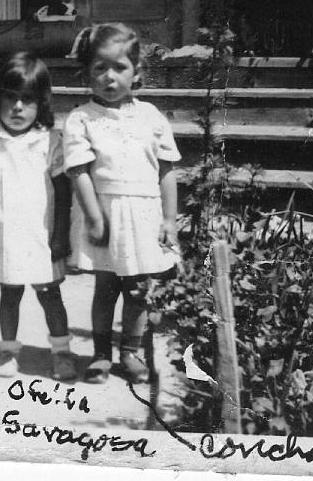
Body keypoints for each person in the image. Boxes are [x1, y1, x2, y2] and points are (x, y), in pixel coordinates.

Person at [64, 23, 181, 384]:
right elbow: (79, 172)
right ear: (87, 73)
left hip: (143, 215)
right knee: (105, 287)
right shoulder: (82, 118)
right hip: (104, 214)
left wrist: (169, 219)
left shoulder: (150, 117)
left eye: (119, 68)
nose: (109, 77)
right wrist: (95, 217)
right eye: (100, 69)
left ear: (137, 73)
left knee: (137, 288)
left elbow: (166, 170)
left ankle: (129, 353)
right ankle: (100, 354)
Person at [0, 52, 76, 381]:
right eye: (9, 98)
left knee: (50, 295)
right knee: (9, 294)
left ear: (40, 104)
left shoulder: (50, 141)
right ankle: (8, 351)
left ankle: (61, 351)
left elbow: (63, 191)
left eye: (27, 100)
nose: (17, 108)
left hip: (41, 236)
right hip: (6, 236)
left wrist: (60, 235)